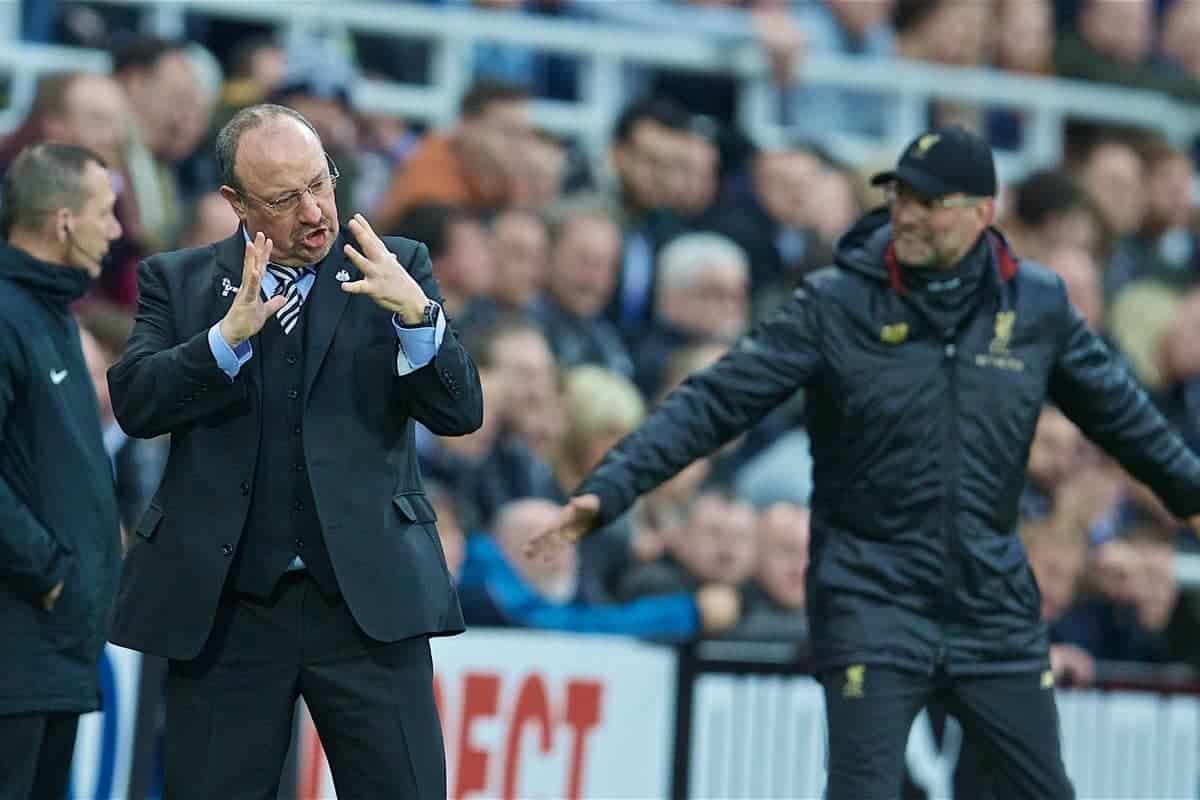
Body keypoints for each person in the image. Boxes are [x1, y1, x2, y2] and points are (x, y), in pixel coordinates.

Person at [526, 125, 1200, 800]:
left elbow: (1126, 417)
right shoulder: (836, 303)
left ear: (981, 214)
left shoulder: (1038, 307)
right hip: (870, 591)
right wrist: (611, 487)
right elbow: (714, 401)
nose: (905, 213)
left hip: (991, 599)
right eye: (900, 195)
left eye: (927, 202)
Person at [107, 104, 483, 799]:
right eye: (284, 198)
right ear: (236, 204)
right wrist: (225, 340)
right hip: (227, 613)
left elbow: (460, 413)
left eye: (321, 183)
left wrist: (420, 321)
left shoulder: (395, 267)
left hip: (369, 608)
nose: (315, 211)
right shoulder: (180, 282)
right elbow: (135, 403)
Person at [0, 143, 123, 800]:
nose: (117, 229)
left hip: (52, 652)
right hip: (16, 651)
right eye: (105, 213)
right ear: (63, 221)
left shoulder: (50, 315)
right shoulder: (7, 315)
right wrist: (48, 572)